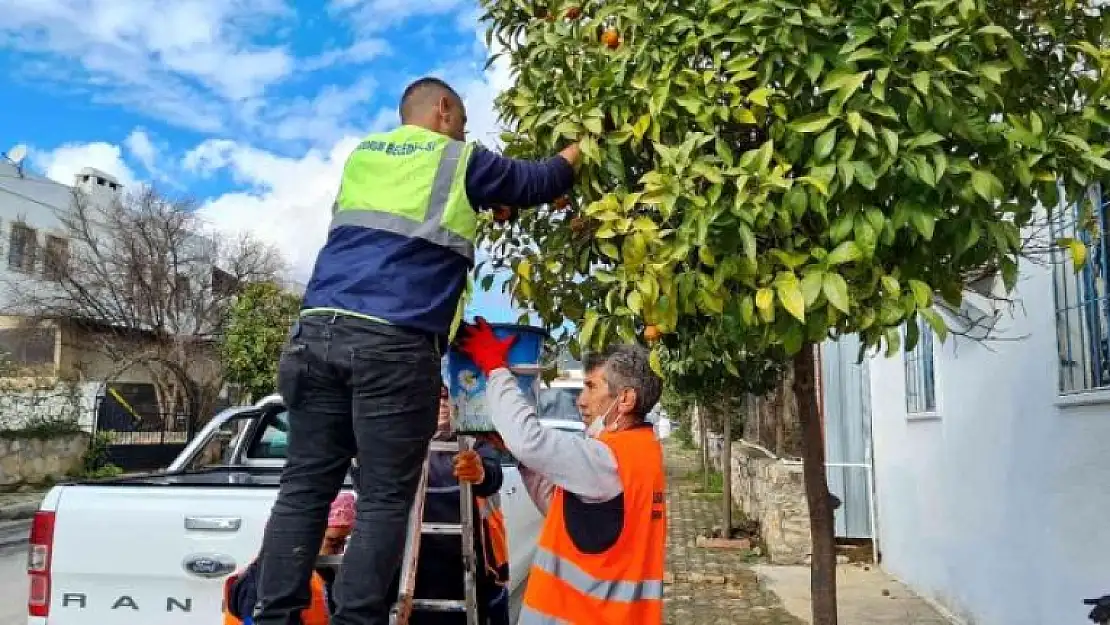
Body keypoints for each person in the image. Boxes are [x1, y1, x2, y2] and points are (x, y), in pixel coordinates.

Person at [252, 76, 580, 625]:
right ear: (444, 110)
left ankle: (275, 616)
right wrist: (583, 145)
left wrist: (484, 199)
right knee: (383, 498)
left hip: (315, 335)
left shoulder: (364, 157)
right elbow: (541, 180)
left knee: (304, 489)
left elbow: (406, 226)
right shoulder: (458, 158)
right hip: (393, 344)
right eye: (464, 125)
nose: (465, 135)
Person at [457, 319, 668, 624]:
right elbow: (565, 510)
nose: (581, 401)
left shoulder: (608, 459)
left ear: (626, 399)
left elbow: (529, 439)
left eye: (591, 387)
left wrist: (495, 367)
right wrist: (517, 457)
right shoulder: (640, 451)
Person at [395, 384, 510, 625]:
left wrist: (480, 473)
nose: (443, 404)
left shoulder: (474, 440)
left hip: (470, 569)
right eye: (435, 397)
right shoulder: (402, 444)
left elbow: (492, 473)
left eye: (448, 398)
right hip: (417, 572)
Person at [224, 492, 356, 625]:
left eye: (345, 544)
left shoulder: (327, 575)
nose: (340, 552)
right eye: (333, 543)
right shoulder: (262, 581)